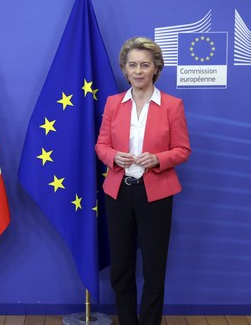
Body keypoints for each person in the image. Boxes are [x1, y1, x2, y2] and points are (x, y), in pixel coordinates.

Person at [95, 37, 191, 325]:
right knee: (121, 267)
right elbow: (101, 145)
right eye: (132, 65)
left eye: (145, 65)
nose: (138, 71)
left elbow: (183, 149)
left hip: (156, 195)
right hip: (118, 193)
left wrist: (159, 159)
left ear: (156, 69)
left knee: (153, 266)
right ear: (124, 70)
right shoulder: (113, 104)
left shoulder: (173, 105)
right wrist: (114, 157)